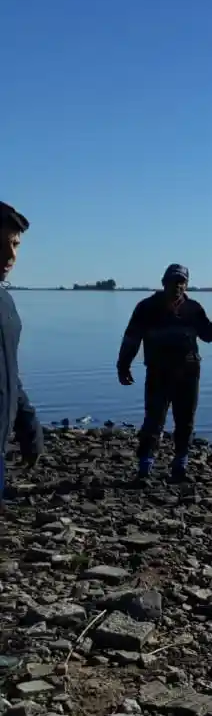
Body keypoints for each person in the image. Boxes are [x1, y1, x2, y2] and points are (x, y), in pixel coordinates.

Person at [117, 264, 212, 483]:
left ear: (186, 284)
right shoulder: (146, 307)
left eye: (181, 282)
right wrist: (123, 365)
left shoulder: (193, 308)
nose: (177, 286)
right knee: (153, 420)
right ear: (163, 282)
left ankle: (180, 467)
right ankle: (144, 468)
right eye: (172, 281)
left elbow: (207, 335)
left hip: (188, 373)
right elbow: (131, 338)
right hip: (158, 372)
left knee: (185, 422)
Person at [0, 201, 43, 506]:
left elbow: (7, 371)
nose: (11, 255)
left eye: (16, 245)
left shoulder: (5, 303)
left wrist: (27, 422)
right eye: (2, 244)